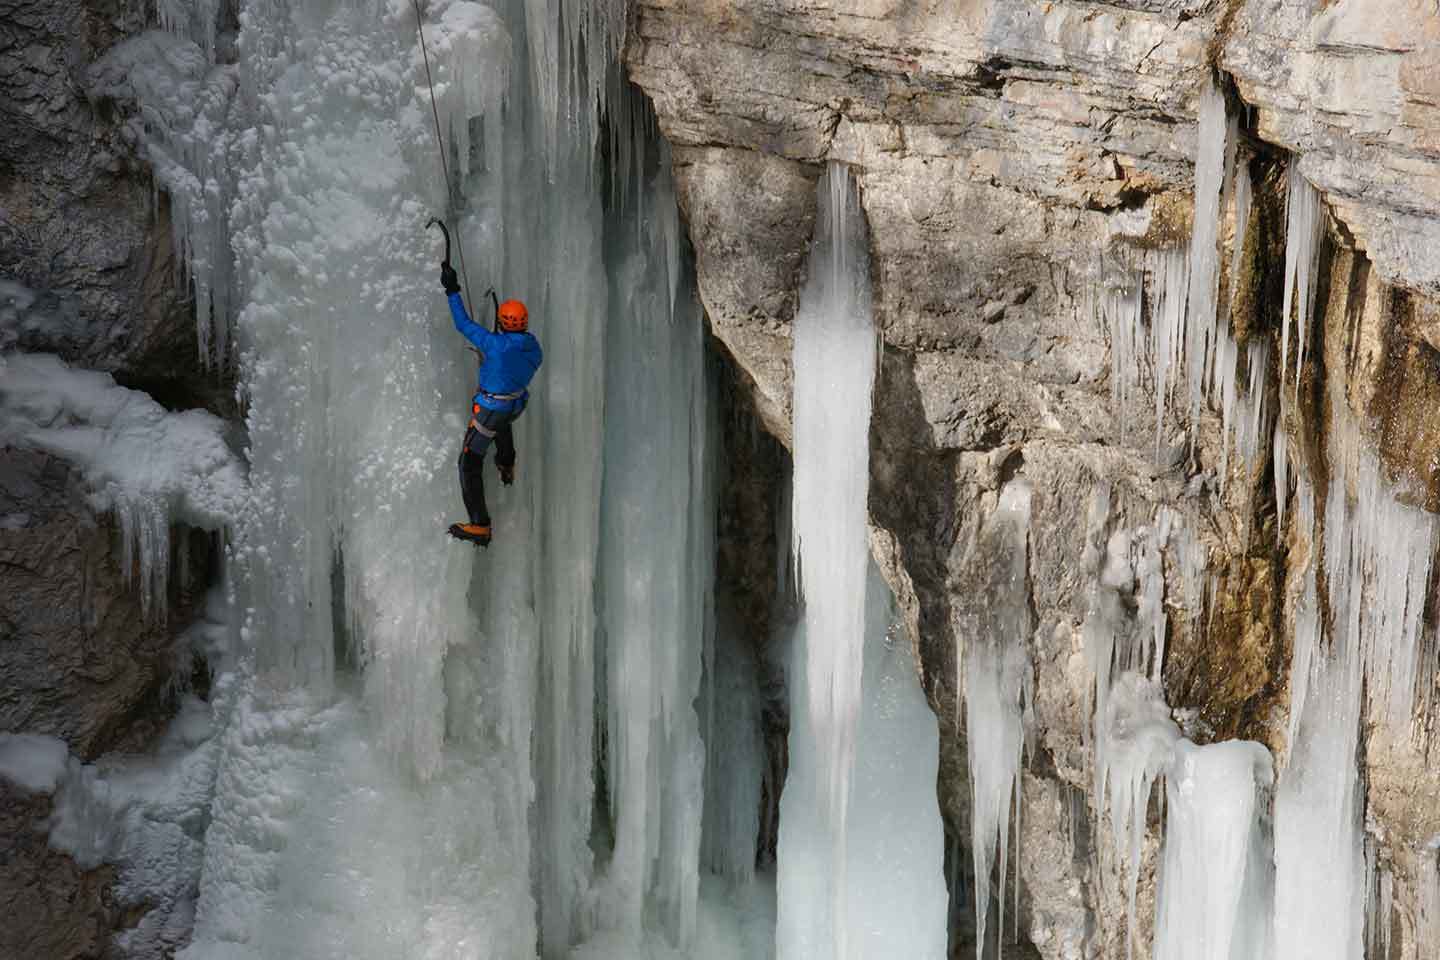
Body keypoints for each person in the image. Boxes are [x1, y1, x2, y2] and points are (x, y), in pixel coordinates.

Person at [442, 261, 543, 547]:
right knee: (502, 424)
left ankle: (480, 525)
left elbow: (463, 324)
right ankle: (506, 463)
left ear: (502, 322)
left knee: (468, 462)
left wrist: (451, 288)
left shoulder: (494, 345)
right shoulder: (533, 346)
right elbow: (516, 360)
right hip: (516, 404)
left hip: (491, 409)